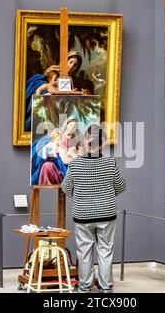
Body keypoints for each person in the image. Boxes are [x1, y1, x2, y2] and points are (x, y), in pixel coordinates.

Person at [61, 125, 126, 293]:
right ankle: (106, 288)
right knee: (105, 251)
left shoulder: (75, 165)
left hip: (82, 215)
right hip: (107, 214)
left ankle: (85, 287)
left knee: (84, 252)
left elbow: (66, 189)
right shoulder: (110, 162)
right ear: (103, 144)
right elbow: (120, 186)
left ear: (84, 142)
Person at [24, 52, 84, 131]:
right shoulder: (55, 72)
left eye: (75, 65)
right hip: (47, 90)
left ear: (77, 68)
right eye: (70, 62)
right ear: (66, 61)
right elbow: (50, 87)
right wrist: (66, 91)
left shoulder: (71, 79)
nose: (72, 66)